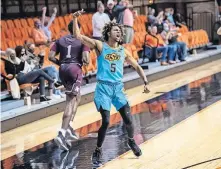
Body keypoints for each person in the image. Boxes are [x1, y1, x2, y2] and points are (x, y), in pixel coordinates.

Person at [72, 10, 150, 165]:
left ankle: (130, 141)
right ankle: (98, 149)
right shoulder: (100, 45)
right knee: (106, 121)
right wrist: (75, 19)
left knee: (128, 119)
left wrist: (145, 81)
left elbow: (136, 66)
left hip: (118, 88)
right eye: (116, 30)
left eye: (120, 31)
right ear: (108, 32)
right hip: (103, 89)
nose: (119, 32)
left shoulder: (123, 50)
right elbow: (78, 37)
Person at [49, 21, 90, 151]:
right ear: (79, 28)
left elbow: (50, 57)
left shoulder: (60, 40)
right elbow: (86, 59)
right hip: (75, 70)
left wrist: (62, 63)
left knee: (77, 96)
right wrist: (84, 60)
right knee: (71, 101)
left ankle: (69, 126)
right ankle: (61, 133)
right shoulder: (83, 40)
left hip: (62, 70)